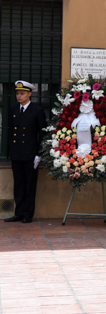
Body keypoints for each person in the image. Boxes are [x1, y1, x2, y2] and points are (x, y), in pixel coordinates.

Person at [6, 81, 46, 224]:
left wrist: (39, 153)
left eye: (22, 93)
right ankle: (19, 212)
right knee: (19, 184)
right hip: (17, 153)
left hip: (30, 154)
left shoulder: (37, 111)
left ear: (29, 94)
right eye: (17, 93)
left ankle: (28, 214)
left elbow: (43, 134)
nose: (19, 96)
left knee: (29, 184)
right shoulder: (13, 110)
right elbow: (11, 131)